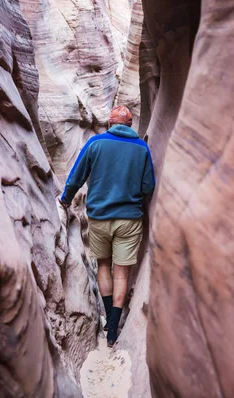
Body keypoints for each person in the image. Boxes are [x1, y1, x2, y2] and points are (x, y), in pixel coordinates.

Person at [58, 105, 155, 347]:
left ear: (110, 124)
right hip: (130, 219)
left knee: (103, 265)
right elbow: (148, 186)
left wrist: (65, 200)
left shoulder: (95, 143)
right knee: (121, 272)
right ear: (130, 126)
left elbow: (76, 177)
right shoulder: (142, 148)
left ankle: (108, 319)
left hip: (100, 217)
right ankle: (113, 329)